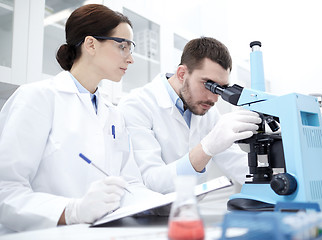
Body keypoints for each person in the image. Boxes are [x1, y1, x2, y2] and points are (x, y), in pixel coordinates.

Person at [0, 4, 160, 234]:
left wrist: (159, 203)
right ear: (91, 44)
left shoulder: (113, 113)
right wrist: (71, 211)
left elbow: (129, 183)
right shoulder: (37, 98)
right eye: (123, 46)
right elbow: (6, 191)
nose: (131, 58)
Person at [118, 37, 262, 194]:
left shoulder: (207, 109)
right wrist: (206, 148)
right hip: (150, 215)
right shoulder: (136, 105)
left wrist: (277, 182)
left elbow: (235, 161)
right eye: (209, 85)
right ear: (181, 74)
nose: (214, 99)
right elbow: (151, 182)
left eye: (221, 89)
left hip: (189, 210)